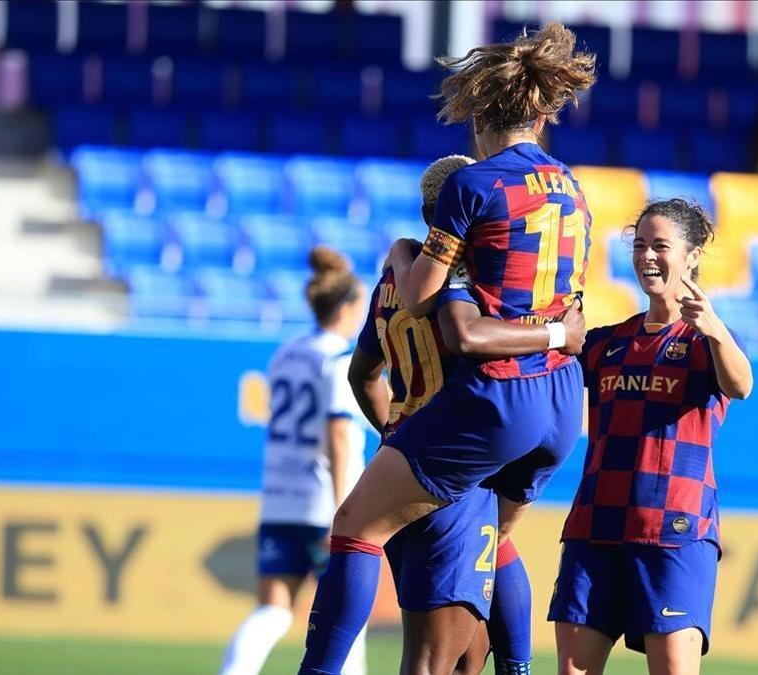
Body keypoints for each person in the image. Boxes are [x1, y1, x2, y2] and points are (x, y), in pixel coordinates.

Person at [297, 22, 596, 675]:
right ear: (543, 113)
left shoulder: (473, 185)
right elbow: (566, 299)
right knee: (499, 538)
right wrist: (554, 333)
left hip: (498, 393)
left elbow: (421, 295)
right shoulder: (574, 190)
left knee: (355, 525)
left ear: (479, 114)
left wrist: (402, 253)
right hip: (563, 400)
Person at [347, 155, 585, 675]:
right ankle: (519, 666)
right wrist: (556, 332)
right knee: (443, 660)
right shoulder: (464, 288)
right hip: (457, 465)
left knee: (448, 657)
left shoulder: (396, 279)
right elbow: (474, 338)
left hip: (410, 457)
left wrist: (398, 440)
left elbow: (361, 373)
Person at [549, 199, 754, 675]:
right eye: (639, 246)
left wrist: (716, 330)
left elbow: (741, 386)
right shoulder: (604, 343)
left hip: (674, 534)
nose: (647, 257)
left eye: (660, 246)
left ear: (693, 255)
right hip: (595, 527)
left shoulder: (709, 341)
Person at [219, 247, 369, 675]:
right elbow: (339, 435)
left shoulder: (284, 355)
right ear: (347, 308)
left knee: (273, 609)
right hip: (327, 503)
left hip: (281, 498)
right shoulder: (341, 360)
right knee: (345, 614)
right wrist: (345, 510)